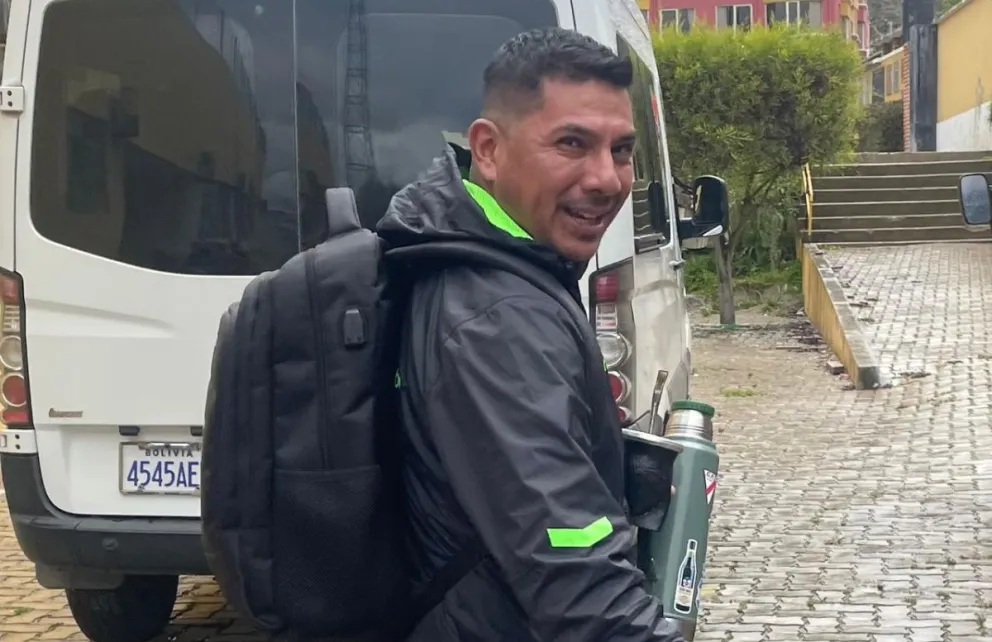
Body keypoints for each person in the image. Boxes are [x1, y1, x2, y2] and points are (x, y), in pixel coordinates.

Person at [376, 27, 686, 641]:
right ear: (488, 150)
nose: (606, 179)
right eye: (572, 143)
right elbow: (573, 567)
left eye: (621, 150)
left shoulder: (498, 262)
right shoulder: (498, 318)